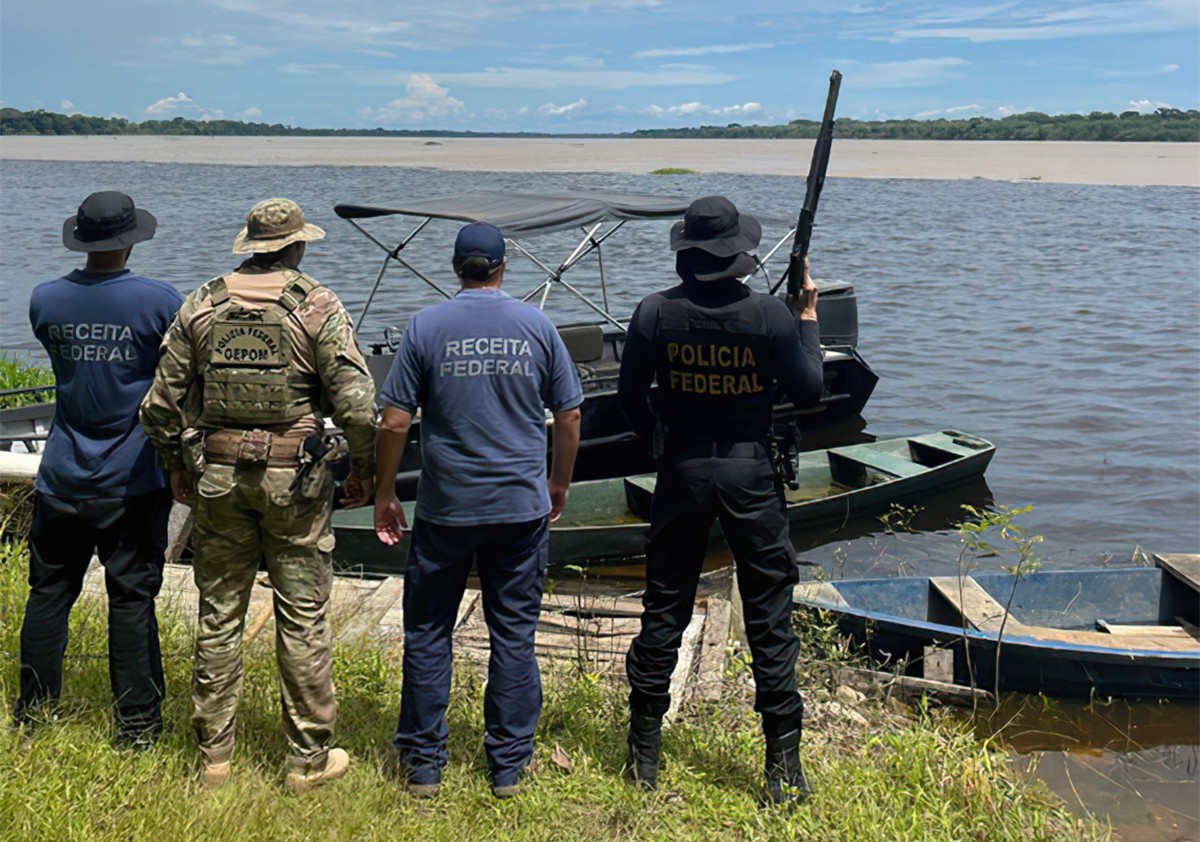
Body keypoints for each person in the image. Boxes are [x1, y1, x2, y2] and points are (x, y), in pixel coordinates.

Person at [139, 198, 377, 791]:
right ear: (297, 247)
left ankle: (214, 758)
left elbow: (160, 406)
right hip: (294, 484)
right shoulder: (316, 305)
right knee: (303, 619)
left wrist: (177, 465)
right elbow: (358, 407)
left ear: (250, 245)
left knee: (219, 615)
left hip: (217, 481)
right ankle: (307, 761)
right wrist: (365, 470)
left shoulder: (201, 303)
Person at [617, 195, 825, 804]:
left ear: (685, 254)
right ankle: (783, 771)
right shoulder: (770, 316)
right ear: (739, 255)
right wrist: (807, 320)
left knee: (664, 606)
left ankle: (642, 758)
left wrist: (655, 440)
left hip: (682, 469)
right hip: (749, 473)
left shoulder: (654, 312)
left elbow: (632, 397)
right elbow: (809, 392)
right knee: (768, 613)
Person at [373, 221, 583, 799]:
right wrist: (557, 483)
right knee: (513, 633)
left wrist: (385, 492)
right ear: (502, 268)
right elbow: (568, 415)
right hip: (520, 507)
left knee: (428, 630)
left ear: (456, 267)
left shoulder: (425, 326)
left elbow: (394, 420)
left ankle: (423, 765)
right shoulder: (537, 326)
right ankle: (508, 766)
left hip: (445, 510)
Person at [14, 191, 183, 750]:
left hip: (60, 472)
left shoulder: (46, 299)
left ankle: (33, 714)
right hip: (132, 478)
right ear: (132, 237)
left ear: (80, 238)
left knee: (49, 594)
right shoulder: (161, 302)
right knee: (131, 599)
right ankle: (136, 729)